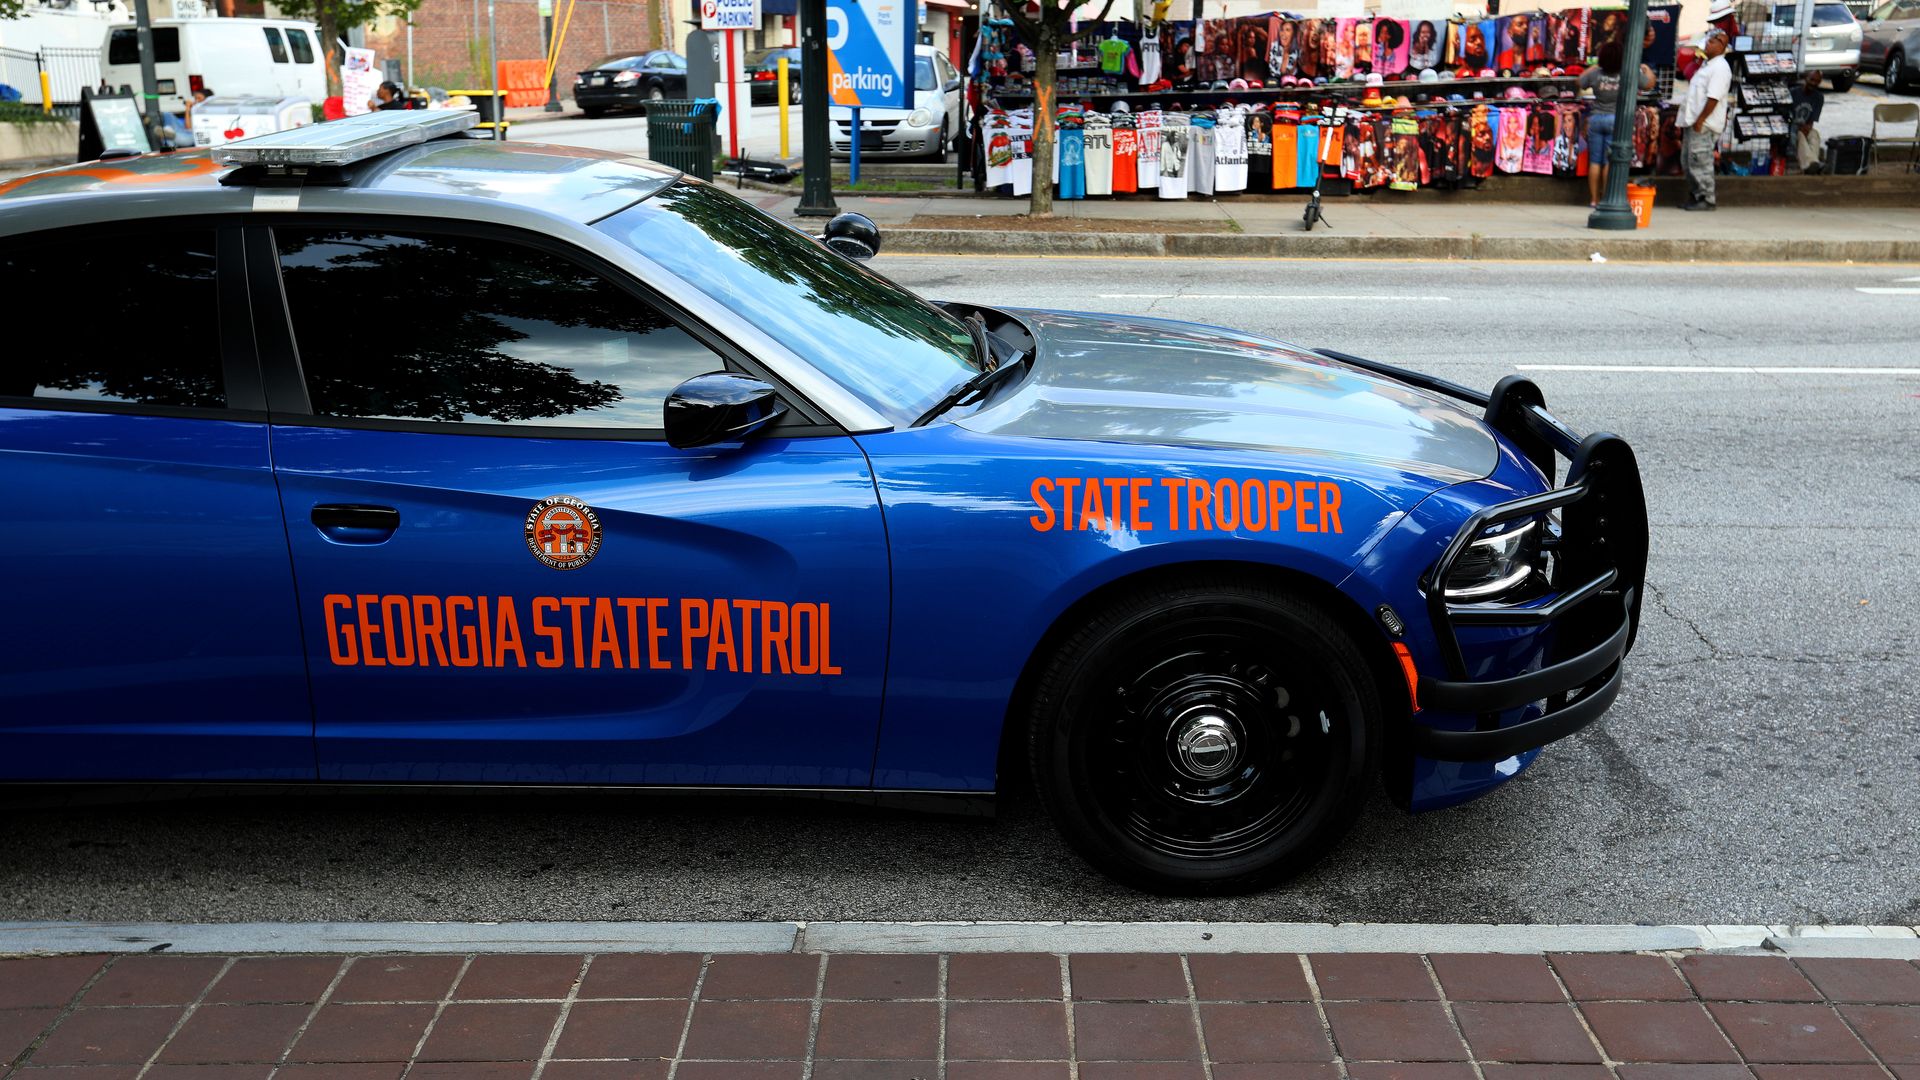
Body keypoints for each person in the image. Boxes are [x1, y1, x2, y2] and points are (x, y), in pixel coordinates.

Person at [1579, 40, 1656, 206]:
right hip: (1616, 120)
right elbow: (1649, 84)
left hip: (1596, 118)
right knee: (1609, 161)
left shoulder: (1595, 73)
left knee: (1595, 162)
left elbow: (1580, 82)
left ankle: (1593, 199)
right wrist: (1647, 70)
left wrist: (1591, 68)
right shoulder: (1628, 72)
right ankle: (1607, 198)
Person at [1677, 28, 1733, 210]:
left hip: (1704, 123)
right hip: (1693, 121)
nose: (1708, 43)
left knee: (1700, 161)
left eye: (1714, 40)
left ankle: (1707, 199)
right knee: (1688, 161)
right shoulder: (1707, 65)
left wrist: (1701, 120)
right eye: (1709, 39)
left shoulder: (1720, 68)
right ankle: (1696, 195)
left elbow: (1713, 97)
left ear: (1722, 46)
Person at [1791, 70, 1825, 173]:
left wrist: (1807, 128)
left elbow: (1812, 120)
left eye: (1817, 81)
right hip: (1792, 127)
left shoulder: (1819, 97)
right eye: (1812, 80)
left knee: (1814, 135)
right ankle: (1810, 164)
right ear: (1806, 78)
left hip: (1805, 126)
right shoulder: (1794, 93)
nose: (1813, 83)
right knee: (1800, 136)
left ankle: (1813, 164)